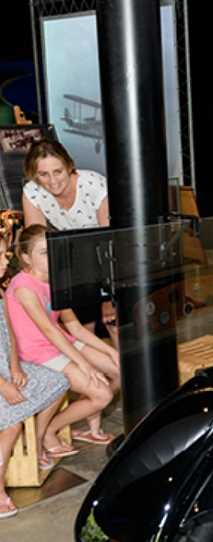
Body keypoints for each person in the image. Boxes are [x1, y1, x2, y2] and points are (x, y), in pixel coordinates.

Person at [6, 225, 117, 451]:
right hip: (37, 352)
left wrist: (111, 351)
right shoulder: (23, 287)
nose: (52, 257)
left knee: (119, 367)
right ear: (26, 257)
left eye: (53, 250)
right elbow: (50, 331)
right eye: (43, 253)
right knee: (102, 394)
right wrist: (84, 365)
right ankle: (48, 430)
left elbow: (73, 326)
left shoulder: (55, 279)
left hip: (61, 343)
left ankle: (92, 428)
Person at [21, 140, 117, 345]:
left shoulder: (94, 185)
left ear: (69, 166)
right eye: (43, 174)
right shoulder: (33, 192)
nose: (52, 181)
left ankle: (128, 373)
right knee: (81, 328)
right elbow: (38, 245)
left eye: (58, 172)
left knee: (115, 322)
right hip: (75, 259)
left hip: (106, 255)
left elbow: (110, 244)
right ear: (34, 174)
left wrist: (109, 297)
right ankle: (95, 374)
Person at [0, 234, 69, 519]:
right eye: (1, 254)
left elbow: (10, 336)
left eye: (5, 253)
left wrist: (15, 368)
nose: (7, 259)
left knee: (58, 380)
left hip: (5, 368)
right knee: (12, 423)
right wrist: (4, 386)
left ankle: (39, 436)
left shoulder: (1, 292)